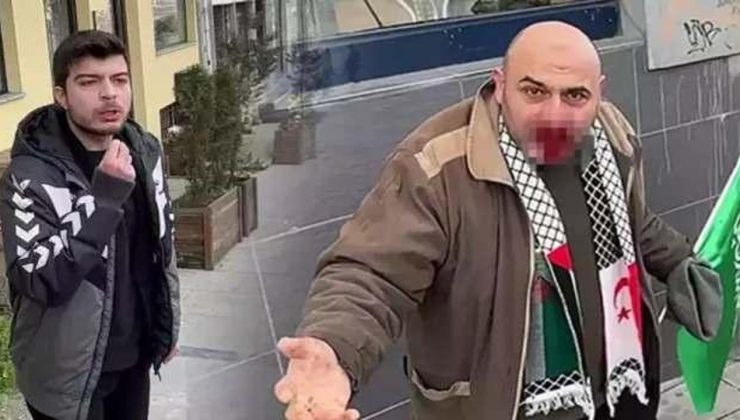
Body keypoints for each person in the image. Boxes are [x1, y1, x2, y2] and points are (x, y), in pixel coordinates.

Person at [273, 21, 723, 420]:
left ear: (599, 93)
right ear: (500, 85)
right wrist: (335, 348)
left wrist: (678, 261)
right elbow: (371, 275)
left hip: (618, 390)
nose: (554, 116)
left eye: (575, 96)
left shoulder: (611, 136)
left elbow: (629, 220)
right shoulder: (437, 167)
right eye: (534, 91)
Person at [0, 30, 180, 420]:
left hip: (134, 360)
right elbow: (36, 278)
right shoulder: (30, 175)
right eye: (88, 82)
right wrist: (101, 200)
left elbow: (161, 247)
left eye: (120, 79)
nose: (110, 94)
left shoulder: (145, 151)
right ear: (61, 95)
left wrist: (166, 324)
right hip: (65, 375)